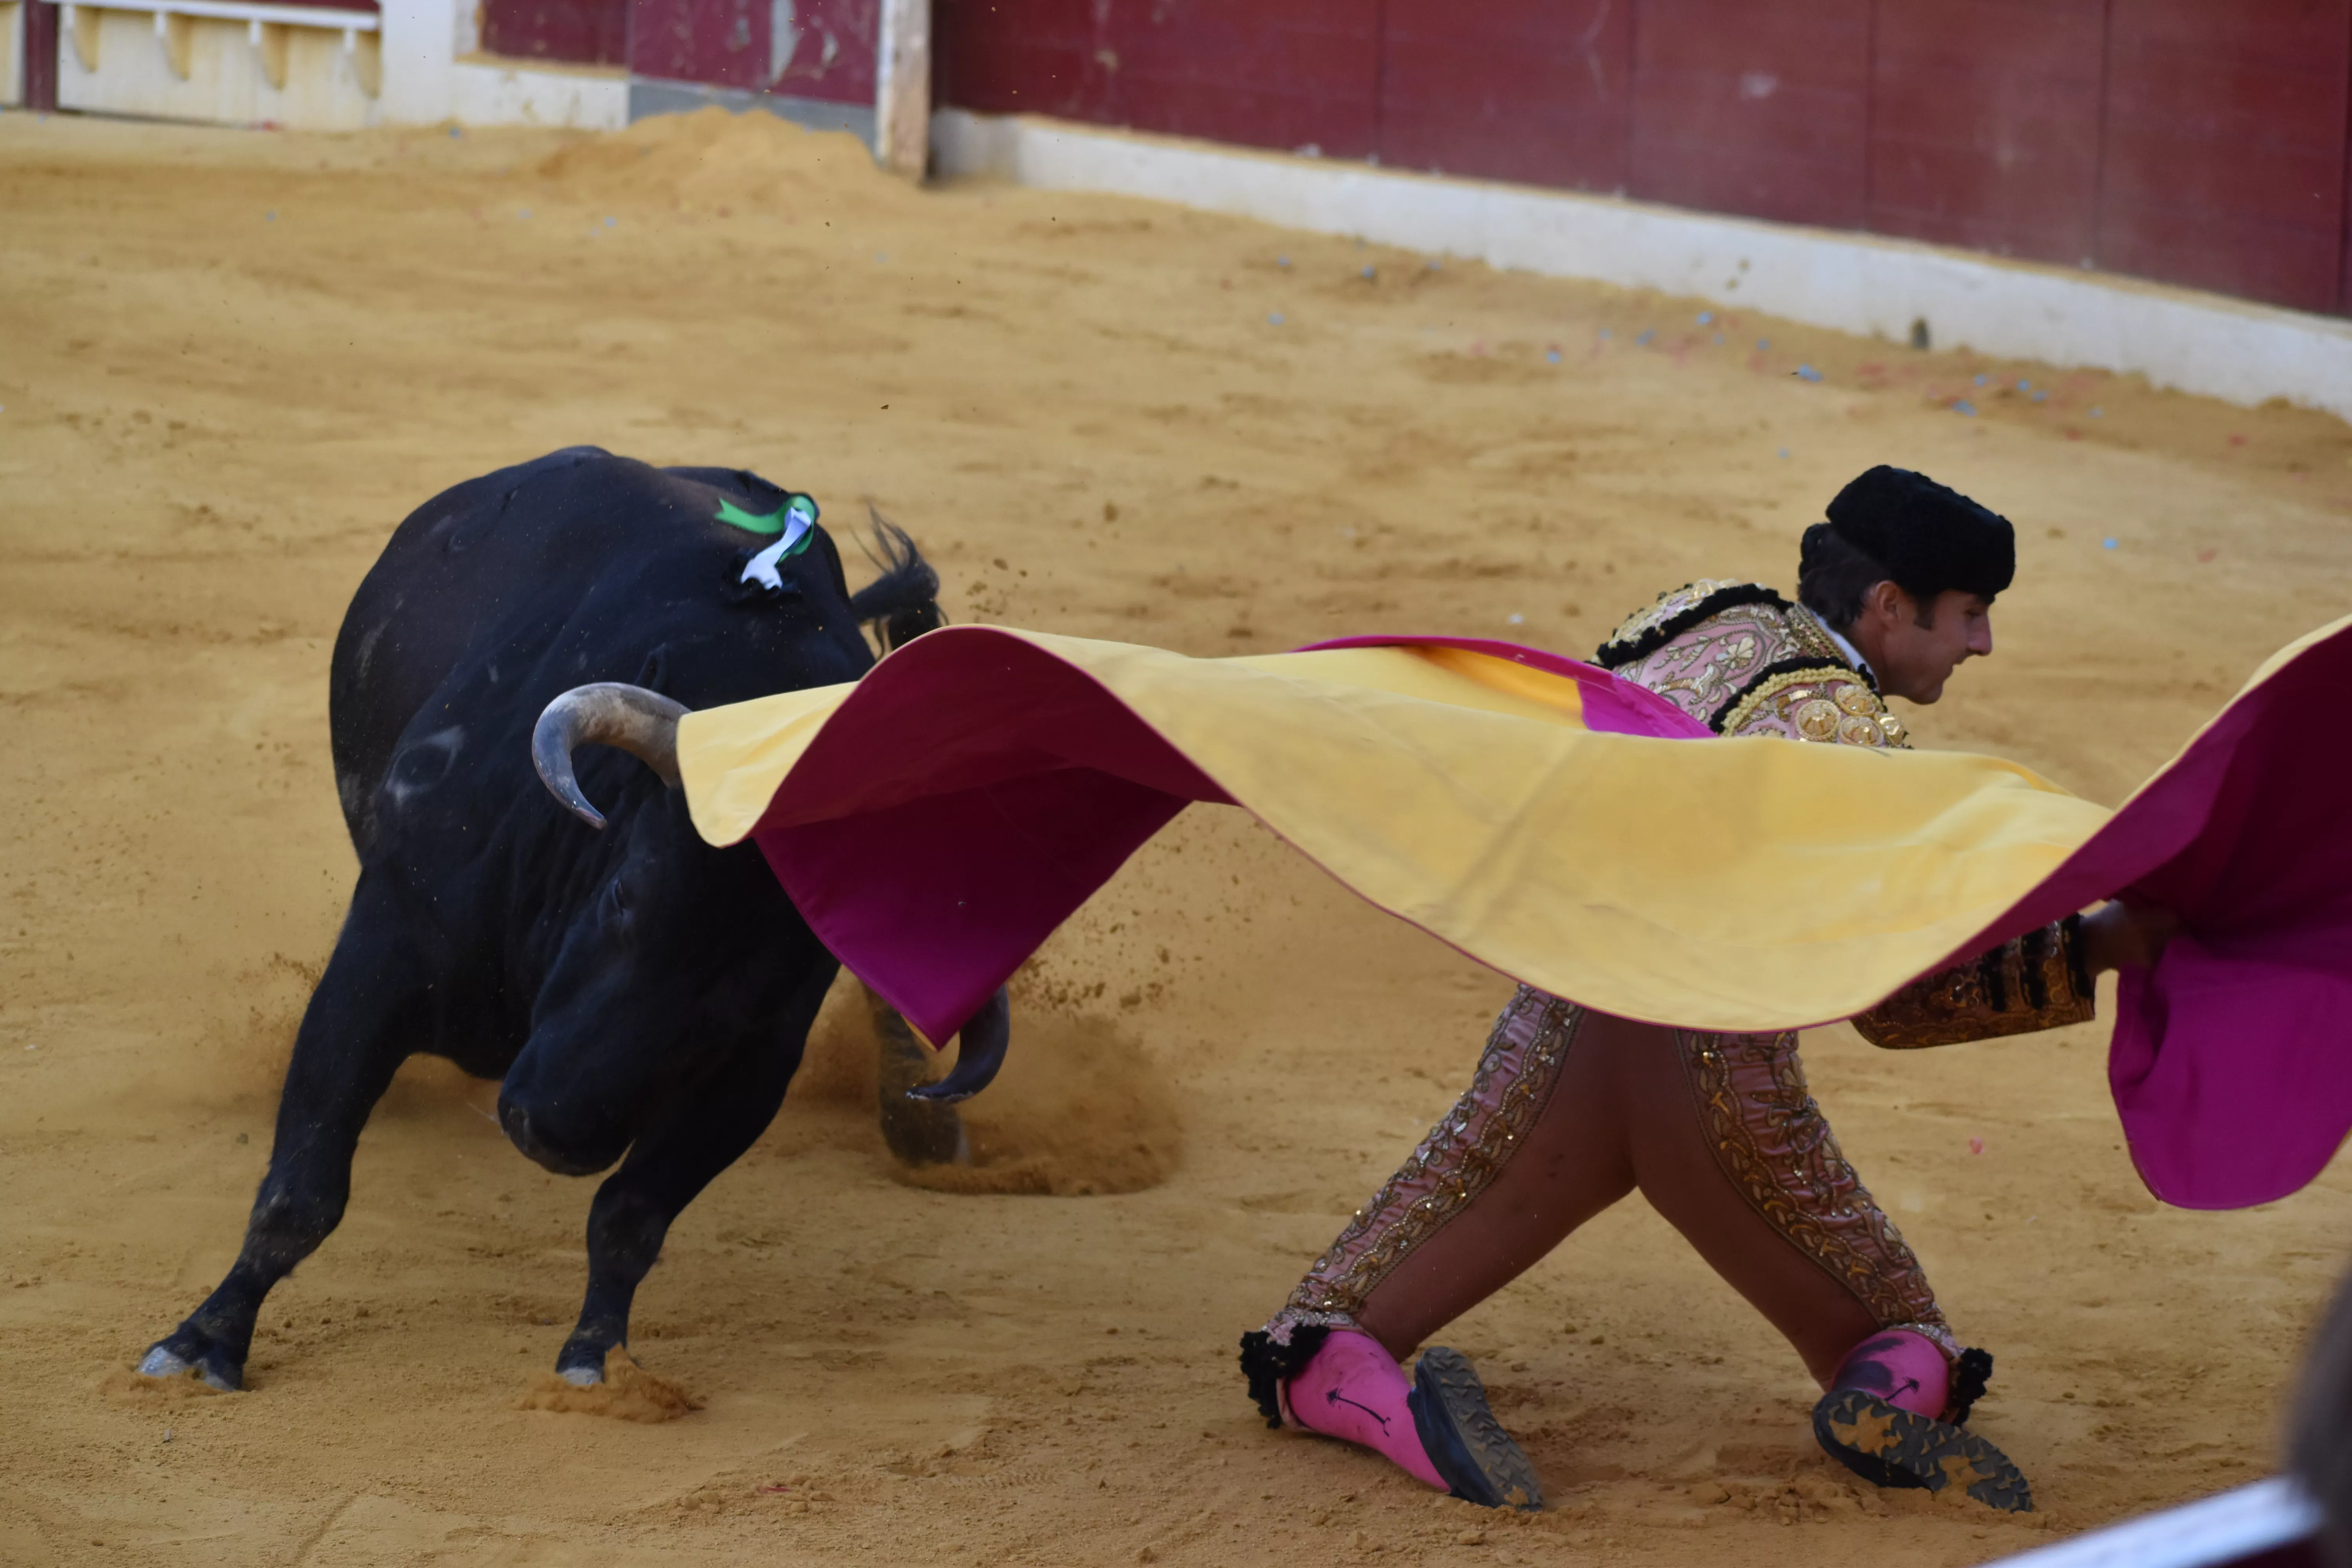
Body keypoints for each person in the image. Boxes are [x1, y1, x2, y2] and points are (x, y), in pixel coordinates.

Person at [1238, 465, 2179, 1516]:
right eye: (1970, 614)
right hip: (1720, 1077)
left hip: (1561, 1022)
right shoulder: (1850, 740)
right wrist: (2097, 949)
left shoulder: (1700, 616)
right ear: (1888, 607)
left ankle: (1383, 1414)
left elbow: (1566, 741)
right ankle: (1875, 1395)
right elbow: (1896, 995)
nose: (1982, 644)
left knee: (1330, 1321)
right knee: (1905, 1337)